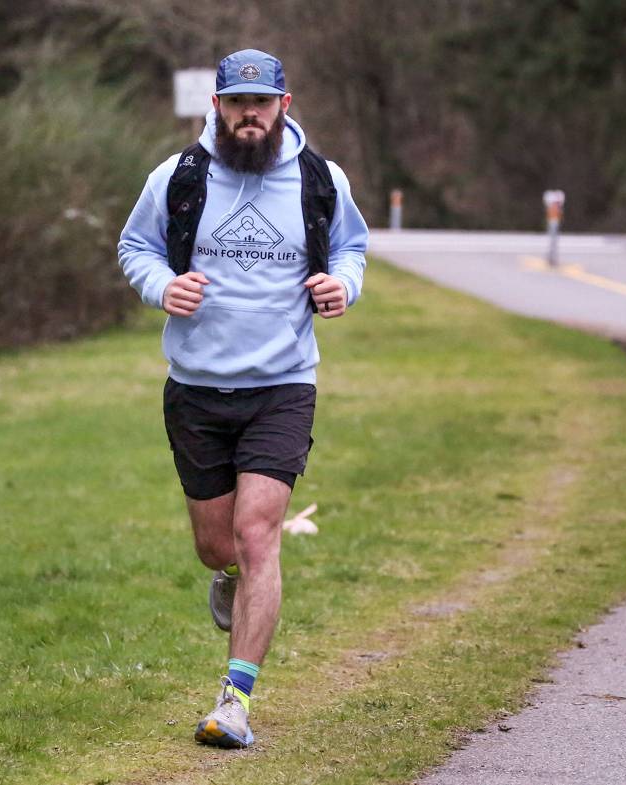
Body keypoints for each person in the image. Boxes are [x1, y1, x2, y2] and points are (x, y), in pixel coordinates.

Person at [118, 48, 368, 749]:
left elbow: (351, 249)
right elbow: (136, 246)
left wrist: (339, 286)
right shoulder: (179, 177)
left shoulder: (320, 179)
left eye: (262, 103)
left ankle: (235, 701)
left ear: (284, 104)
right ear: (218, 107)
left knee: (259, 534)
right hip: (197, 387)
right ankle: (225, 574)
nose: (249, 115)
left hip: (283, 384)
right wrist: (162, 286)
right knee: (217, 544)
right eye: (237, 103)